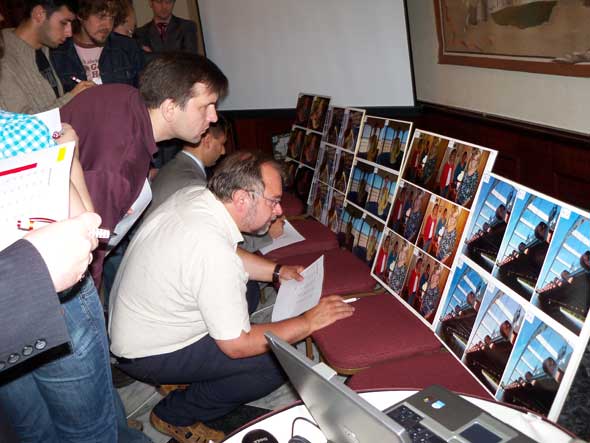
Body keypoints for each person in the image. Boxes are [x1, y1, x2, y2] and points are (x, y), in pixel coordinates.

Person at [109, 153, 354, 443]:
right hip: (146, 353)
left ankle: (189, 376)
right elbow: (238, 345)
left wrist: (276, 271)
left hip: (142, 324)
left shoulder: (197, 197)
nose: (278, 211)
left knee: (248, 290)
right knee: (274, 362)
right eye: (273, 201)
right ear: (241, 199)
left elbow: (229, 253)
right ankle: (175, 414)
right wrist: (308, 322)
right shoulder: (211, 251)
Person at [60, 52, 228, 288]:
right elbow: (86, 256)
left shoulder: (122, 95)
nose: (213, 117)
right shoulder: (120, 164)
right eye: (205, 107)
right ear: (170, 108)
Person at [0, 0, 95, 114]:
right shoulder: (4, 58)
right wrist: (72, 97)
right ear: (39, 14)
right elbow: (21, 122)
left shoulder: (45, 48)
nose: (69, 33)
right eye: (64, 23)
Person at [50, 0, 144, 93]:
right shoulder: (57, 53)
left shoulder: (127, 47)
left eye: (112, 17)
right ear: (81, 15)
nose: (107, 25)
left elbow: (144, 94)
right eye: (101, 17)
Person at [135, 0, 199, 55]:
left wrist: (153, 56)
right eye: (159, 2)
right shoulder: (140, 33)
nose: (164, 7)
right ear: (150, 3)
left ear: (174, 2)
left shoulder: (187, 27)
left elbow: (190, 60)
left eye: (168, 2)